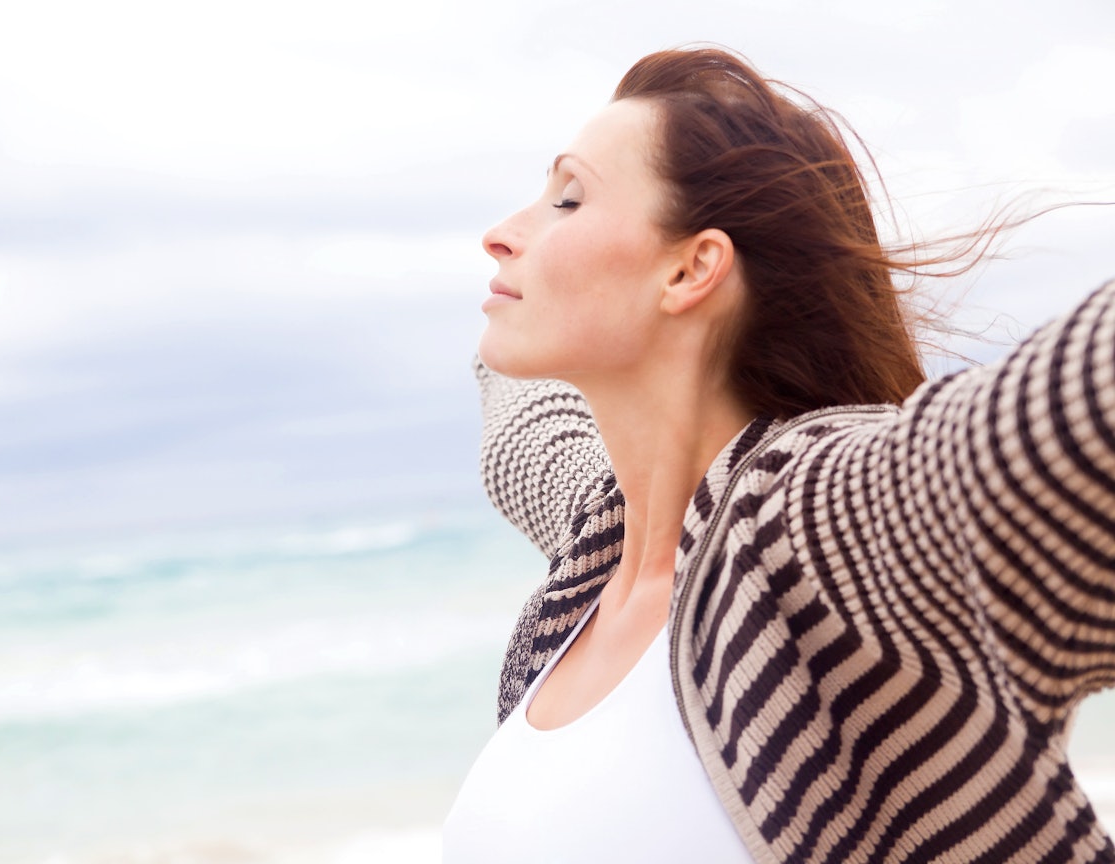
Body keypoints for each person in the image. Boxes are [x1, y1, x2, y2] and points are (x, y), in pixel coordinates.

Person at [443, 46, 1115, 863]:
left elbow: (1070, 418)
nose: (500, 236)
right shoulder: (601, 541)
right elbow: (525, 430)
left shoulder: (810, 526)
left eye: (569, 198)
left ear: (692, 268)